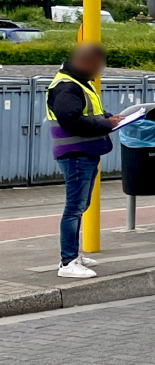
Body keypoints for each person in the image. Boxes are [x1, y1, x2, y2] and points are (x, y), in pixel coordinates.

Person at [48, 43, 121, 279]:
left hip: (85, 153)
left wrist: (110, 118)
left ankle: (74, 255)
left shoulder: (78, 82)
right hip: (76, 154)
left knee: (80, 207)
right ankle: (67, 262)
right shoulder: (67, 87)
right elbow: (72, 122)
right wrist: (106, 124)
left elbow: (88, 114)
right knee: (74, 209)